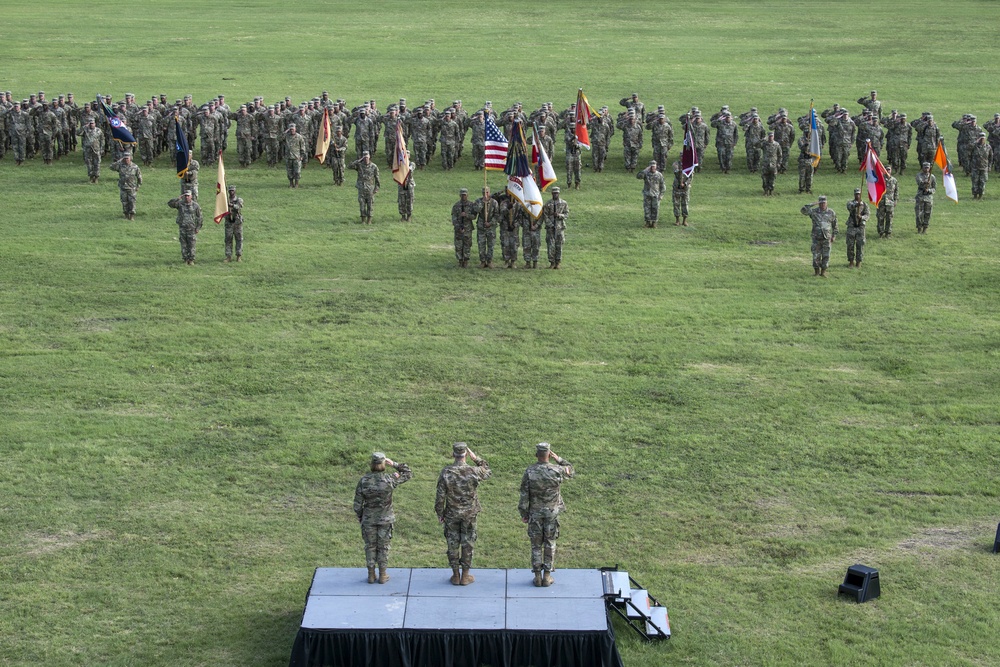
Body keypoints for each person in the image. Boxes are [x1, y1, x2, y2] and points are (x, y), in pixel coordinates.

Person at [518, 442, 574, 587]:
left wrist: (524, 513)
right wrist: (559, 459)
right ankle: (547, 576)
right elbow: (571, 470)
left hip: (535, 513)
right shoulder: (557, 470)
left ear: (537, 455)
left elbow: (524, 495)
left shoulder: (530, 472)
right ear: (549, 455)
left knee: (536, 545)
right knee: (550, 543)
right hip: (551, 513)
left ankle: (537, 576)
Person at [435, 443, 491, 586]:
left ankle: (455, 575)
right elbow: (487, 471)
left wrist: (440, 513)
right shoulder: (474, 470)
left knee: (452, 544)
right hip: (469, 514)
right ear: (466, 455)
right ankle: (465, 576)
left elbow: (440, 496)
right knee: (468, 543)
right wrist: (477, 459)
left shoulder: (446, 472)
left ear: (453, 454)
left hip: (452, 514)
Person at [354, 451, 412, 585]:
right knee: (383, 546)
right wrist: (395, 464)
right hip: (386, 519)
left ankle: (371, 574)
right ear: (384, 464)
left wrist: (361, 516)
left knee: (370, 546)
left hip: (368, 519)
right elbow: (408, 473)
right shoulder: (390, 479)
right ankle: (383, 574)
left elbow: (357, 504)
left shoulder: (364, 481)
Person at [801, 195, 837, 277]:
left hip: (826, 238)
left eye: (824, 203)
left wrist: (834, 236)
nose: (822, 204)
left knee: (826, 255)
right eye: (821, 203)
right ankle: (816, 272)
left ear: (826, 203)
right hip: (816, 238)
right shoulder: (814, 212)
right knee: (816, 255)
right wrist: (812, 204)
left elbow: (835, 225)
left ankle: (823, 272)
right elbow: (803, 210)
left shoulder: (831, 212)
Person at [167, 189, 203, 265]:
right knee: (183, 244)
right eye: (185, 196)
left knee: (191, 244)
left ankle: (191, 259)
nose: (187, 197)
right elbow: (170, 204)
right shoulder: (180, 204)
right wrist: (178, 198)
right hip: (182, 227)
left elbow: (199, 217)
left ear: (191, 196)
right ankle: (185, 259)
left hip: (191, 228)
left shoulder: (195, 205)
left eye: (188, 196)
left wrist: (198, 228)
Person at [348, 150, 381, 224]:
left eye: (367, 157)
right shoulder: (359, 165)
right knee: (362, 204)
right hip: (361, 188)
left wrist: (376, 188)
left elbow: (377, 178)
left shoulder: (374, 166)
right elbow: (349, 166)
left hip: (370, 188)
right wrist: (358, 160)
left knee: (370, 204)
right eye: (364, 157)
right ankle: (363, 220)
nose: (366, 159)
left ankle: (369, 220)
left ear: (369, 157)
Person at [110, 152, 142, 220]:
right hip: (123, 187)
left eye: (127, 158)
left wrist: (138, 186)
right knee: (124, 202)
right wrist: (119, 161)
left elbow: (139, 177)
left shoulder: (135, 167)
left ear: (130, 158)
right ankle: (126, 214)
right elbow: (111, 167)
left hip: (131, 187)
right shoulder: (120, 165)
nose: (126, 160)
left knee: (132, 201)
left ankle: (132, 215)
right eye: (125, 158)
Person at [473, 186, 499, 268]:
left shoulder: (494, 202)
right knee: (481, 245)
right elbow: (476, 211)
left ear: (489, 192)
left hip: (491, 228)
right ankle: (483, 261)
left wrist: (491, 223)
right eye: (484, 193)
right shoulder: (478, 201)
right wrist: (482, 203)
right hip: (481, 227)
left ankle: (489, 261)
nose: (486, 194)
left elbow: (497, 215)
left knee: (491, 245)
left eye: (487, 192)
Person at [543, 186, 568, 269]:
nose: (555, 194)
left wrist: (559, 215)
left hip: (559, 227)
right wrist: (550, 224)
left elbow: (566, 214)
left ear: (559, 193)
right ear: (552, 194)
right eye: (554, 193)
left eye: (557, 193)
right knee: (550, 245)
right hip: (550, 228)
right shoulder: (548, 204)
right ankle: (552, 262)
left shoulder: (563, 203)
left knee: (559, 245)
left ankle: (558, 262)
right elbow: (545, 215)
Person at [637, 160, 666, 228]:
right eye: (651, 166)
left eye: (654, 166)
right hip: (647, 194)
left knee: (655, 209)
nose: (653, 168)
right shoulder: (646, 174)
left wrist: (661, 195)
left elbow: (663, 186)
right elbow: (638, 176)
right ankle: (647, 222)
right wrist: (644, 170)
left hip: (656, 195)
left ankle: (654, 222)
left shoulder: (659, 175)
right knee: (647, 208)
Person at [845, 188, 870, 268]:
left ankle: (859, 261)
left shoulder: (865, 204)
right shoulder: (850, 203)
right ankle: (851, 261)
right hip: (851, 226)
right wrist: (856, 205)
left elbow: (867, 215)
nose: (857, 195)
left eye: (859, 194)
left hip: (860, 227)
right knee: (850, 244)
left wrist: (861, 217)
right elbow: (849, 207)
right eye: (856, 194)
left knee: (860, 244)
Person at [451, 188, 474, 267]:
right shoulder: (456, 206)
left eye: (465, 195)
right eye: (462, 195)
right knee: (458, 246)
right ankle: (460, 260)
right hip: (458, 229)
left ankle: (466, 260)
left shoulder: (471, 205)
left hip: (468, 229)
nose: (463, 196)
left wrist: (466, 215)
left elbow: (474, 216)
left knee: (467, 245)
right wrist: (458, 227)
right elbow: (454, 218)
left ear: (467, 195)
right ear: (460, 195)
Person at [77, 117, 103, 183]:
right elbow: (78, 133)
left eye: (92, 123)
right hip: (87, 149)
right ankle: (91, 177)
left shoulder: (98, 130)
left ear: (95, 123)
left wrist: (102, 148)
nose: (91, 125)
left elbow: (102, 139)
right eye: (90, 123)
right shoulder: (85, 130)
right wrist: (83, 127)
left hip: (96, 149)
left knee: (97, 163)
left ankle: (96, 177)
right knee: (89, 163)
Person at [877, 165, 899, 238]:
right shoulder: (880, 180)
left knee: (889, 218)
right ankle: (881, 232)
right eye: (886, 170)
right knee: (880, 217)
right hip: (881, 202)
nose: (888, 171)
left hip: (890, 202)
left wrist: (896, 200)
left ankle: (888, 233)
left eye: (889, 170)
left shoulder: (894, 180)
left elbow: (896, 191)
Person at [223, 185, 244, 262]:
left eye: (233, 190)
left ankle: (239, 255)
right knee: (228, 239)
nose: (231, 192)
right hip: (229, 222)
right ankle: (228, 256)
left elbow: (239, 206)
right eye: (230, 191)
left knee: (239, 239)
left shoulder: (239, 199)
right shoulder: (226, 200)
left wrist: (232, 205)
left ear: (235, 191)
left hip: (237, 222)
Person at [969, 132, 992, 199]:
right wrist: (976, 142)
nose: (982, 139)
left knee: (982, 182)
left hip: (984, 167)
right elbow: (969, 149)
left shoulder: (988, 147)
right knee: (975, 182)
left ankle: (980, 195)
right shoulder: (974, 146)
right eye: (980, 138)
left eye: (983, 138)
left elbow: (990, 157)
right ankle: (975, 195)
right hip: (975, 167)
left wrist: (989, 166)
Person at [915, 161, 936, 233]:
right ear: (922, 168)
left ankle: (925, 228)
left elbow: (934, 188)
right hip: (920, 196)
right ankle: (919, 227)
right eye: (925, 168)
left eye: (928, 168)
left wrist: (929, 190)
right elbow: (919, 182)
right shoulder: (919, 175)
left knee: (928, 213)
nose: (926, 169)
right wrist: (925, 183)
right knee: (919, 214)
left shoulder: (932, 177)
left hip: (928, 198)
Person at [759, 131, 782, 196]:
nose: (770, 138)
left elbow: (780, 155)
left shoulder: (777, 144)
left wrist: (779, 163)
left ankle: (771, 190)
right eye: (769, 136)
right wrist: (762, 140)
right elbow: (756, 145)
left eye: (772, 136)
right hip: (765, 163)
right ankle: (765, 191)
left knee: (772, 177)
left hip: (773, 164)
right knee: (764, 177)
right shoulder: (764, 144)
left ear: (773, 137)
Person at [672, 161, 692, 226]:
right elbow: (676, 173)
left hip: (685, 189)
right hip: (677, 188)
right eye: (681, 156)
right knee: (676, 204)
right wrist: (681, 169)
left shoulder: (689, 166)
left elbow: (690, 177)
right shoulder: (676, 164)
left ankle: (684, 220)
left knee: (685, 204)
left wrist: (685, 183)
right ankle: (677, 220)